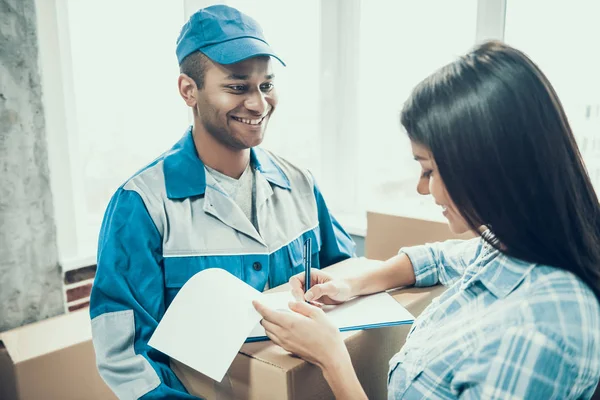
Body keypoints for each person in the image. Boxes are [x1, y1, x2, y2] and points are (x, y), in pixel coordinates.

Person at [254, 41, 600, 399]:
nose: (422, 188)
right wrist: (351, 286)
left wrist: (332, 359)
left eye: (429, 170)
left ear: (488, 167)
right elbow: (438, 259)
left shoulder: (540, 330)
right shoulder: (512, 245)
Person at [89, 5, 355, 399]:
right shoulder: (141, 205)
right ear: (188, 90)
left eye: (266, 85)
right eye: (237, 87)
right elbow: (125, 357)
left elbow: (345, 288)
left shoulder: (300, 185)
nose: (259, 104)